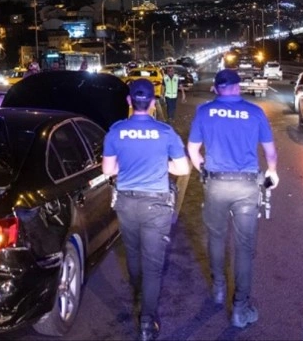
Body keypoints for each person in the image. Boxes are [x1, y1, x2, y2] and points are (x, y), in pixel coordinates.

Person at [186, 69, 279, 329]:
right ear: (238, 88)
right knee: (244, 248)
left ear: (216, 89)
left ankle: (217, 289)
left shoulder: (205, 112)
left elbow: (193, 150)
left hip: (216, 184)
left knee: (216, 238)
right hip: (246, 186)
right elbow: (270, 152)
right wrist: (271, 171)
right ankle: (240, 308)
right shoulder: (255, 112)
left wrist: (203, 169)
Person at [102, 79, 191, 341]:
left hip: (127, 204)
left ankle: (138, 293)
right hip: (156, 206)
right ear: (153, 103)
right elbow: (183, 169)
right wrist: (159, 165)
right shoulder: (165, 133)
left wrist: (128, 167)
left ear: (129, 102)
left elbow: (108, 170)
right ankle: (146, 323)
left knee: (132, 252)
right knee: (153, 265)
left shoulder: (115, 131)